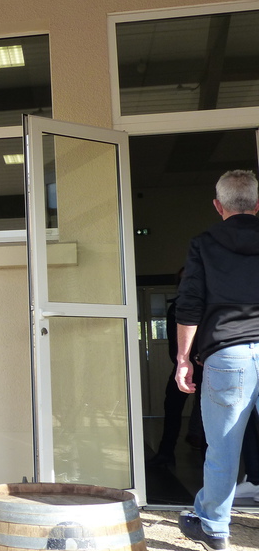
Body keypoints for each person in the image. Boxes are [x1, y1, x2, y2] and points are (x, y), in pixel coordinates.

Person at [175, 169, 259, 551]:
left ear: (218, 205)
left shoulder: (204, 244)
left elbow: (189, 304)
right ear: (257, 204)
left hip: (227, 356)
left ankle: (214, 527)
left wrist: (183, 359)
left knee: (222, 450)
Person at [146, 268, 204, 469]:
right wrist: (180, 362)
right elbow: (174, 343)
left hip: (206, 367)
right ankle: (165, 453)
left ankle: (207, 458)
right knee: (171, 408)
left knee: (208, 413)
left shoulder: (208, 305)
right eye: (182, 281)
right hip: (183, 366)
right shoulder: (176, 308)